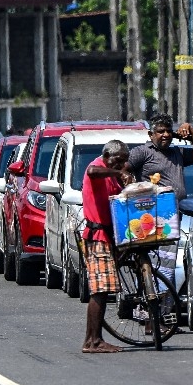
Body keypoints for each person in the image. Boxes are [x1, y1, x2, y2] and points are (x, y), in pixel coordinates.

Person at [81, 140, 134, 354]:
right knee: (100, 290)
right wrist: (117, 172)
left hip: (108, 236)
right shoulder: (97, 166)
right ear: (106, 156)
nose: (121, 165)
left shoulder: (112, 174)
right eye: (118, 161)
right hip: (97, 236)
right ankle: (93, 341)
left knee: (102, 291)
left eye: (124, 161)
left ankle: (93, 339)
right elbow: (92, 172)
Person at [127, 112, 193, 200]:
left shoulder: (178, 152)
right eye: (161, 131)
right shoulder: (142, 152)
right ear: (151, 134)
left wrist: (190, 129)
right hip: (153, 207)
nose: (166, 135)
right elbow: (122, 170)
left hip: (179, 207)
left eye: (169, 131)